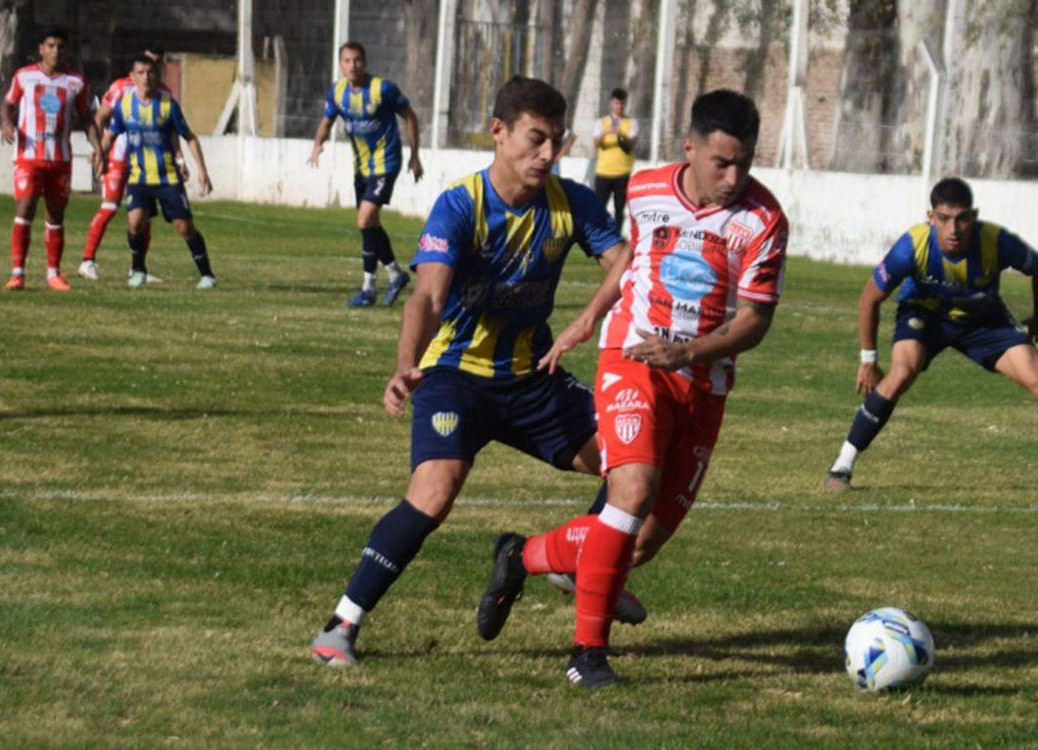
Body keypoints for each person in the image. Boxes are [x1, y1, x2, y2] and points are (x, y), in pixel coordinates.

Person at [308, 76, 629, 667]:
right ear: (498, 132)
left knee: (631, 461)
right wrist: (407, 365)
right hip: (455, 374)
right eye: (536, 139)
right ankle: (340, 626)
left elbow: (625, 260)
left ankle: (575, 561)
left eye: (557, 141)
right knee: (433, 493)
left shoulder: (571, 202)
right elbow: (426, 298)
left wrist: (588, 318)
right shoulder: (460, 204)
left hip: (533, 378)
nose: (548, 155)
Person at [476, 89, 789, 688]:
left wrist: (690, 352)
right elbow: (629, 264)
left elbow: (755, 321)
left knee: (638, 543)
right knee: (632, 491)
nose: (733, 177)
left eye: (745, 163)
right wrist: (589, 318)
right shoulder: (647, 191)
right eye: (721, 163)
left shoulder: (764, 220)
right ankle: (587, 655)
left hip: (702, 380)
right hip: (634, 358)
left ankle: (521, 556)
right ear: (689, 149)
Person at [821, 177, 1038, 497]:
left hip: (984, 321)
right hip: (924, 316)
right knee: (902, 372)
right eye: (944, 219)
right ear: (931, 217)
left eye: (962, 218)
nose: (953, 228)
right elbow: (869, 298)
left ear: (974, 216)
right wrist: (868, 360)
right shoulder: (911, 247)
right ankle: (841, 467)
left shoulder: (995, 242)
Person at [307, 41, 423, 308]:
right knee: (370, 224)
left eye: (357, 60)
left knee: (364, 219)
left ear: (365, 62)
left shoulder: (382, 89)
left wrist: (415, 155)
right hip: (361, 168)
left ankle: (368, 288)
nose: (352, 65)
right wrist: (317, 145)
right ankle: (395, 274)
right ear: (340, 64)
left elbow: (410, 116)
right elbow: (326, 121)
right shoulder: (337, 92)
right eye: (347, 61)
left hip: (386, 163)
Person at [99, 55, 216, 289]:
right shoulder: (124, 106)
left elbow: (189, 137)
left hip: (167, 177)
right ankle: (138, 270)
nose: (146, 77)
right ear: (132, 77)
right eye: (140, 73)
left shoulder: (168, 105)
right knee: (135, 222)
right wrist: (100, 156)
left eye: (150, 72)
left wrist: (202, 169)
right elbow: (110, 135)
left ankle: (207, 275)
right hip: (138, 177)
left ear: (157, 75)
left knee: (184, 227)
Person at [0, 27, 102, 291]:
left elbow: (86, 117)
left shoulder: (76, 82)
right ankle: (17, 273)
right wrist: (6, 123)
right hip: (28, 157)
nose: (56, 50)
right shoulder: (24, 76)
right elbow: (7, 103)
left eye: (61, 46)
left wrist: (98, 147)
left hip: (60, 160)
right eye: (51, 45)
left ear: (66, 50)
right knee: (25, 208)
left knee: (55, 214)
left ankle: (53, 274)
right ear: (41, 49)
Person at [79, 46, 179, 283]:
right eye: (144, 67)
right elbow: (101, 117)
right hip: (118, 157)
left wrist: (177, 158)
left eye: (154, 66)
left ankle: (138, 268)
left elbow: (171, 129)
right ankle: (87, 261)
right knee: (110, 206)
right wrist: (99, 151)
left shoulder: (164, 93)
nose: (148, 73)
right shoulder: (120, 87)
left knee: (145, 217)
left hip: (147, 163)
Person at [592, 88, 639, 227]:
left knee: (620, 208)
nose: (619, 106)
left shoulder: (632, 122)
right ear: (612, 103)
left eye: (622, 103)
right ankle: (597, 235)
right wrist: (605, 132)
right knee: (599, 207)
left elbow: (632, 143)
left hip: (622, 172)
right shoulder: (602, 122)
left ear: (625, 104)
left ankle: (616, 237)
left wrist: (621, 133)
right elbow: (596, 143)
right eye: (617, 103)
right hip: (603, 172)